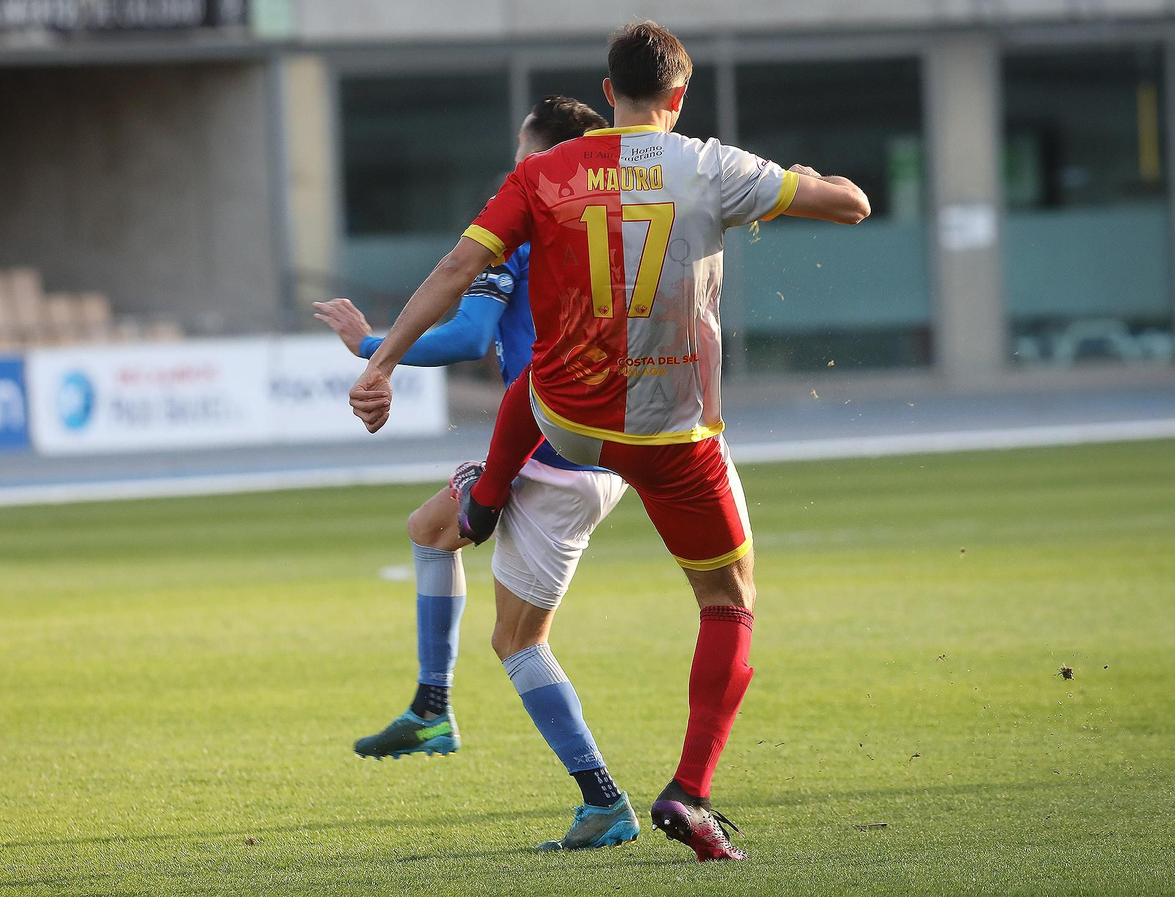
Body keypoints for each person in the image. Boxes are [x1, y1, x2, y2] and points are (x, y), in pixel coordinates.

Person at [345, 21, 871, 862]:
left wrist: (382, 365)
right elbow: (850, 205)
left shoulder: (543, 172)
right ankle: (690, 790)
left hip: (569, 425)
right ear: (680, 95)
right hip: (672, 435)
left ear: (606, 90)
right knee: (728, 601)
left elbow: (452, 271)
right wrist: (804, 180)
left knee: (539, 378)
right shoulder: (712, 164)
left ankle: (482, 500)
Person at [316, 95, 643, 852]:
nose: (519, 170)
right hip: (600, 443)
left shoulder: (528, 226)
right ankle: (432, 706)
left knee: (520, 643)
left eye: (527, 156)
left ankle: (603, 798)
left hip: (549, 450)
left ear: (546, 155)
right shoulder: (615, 221)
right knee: (430, 530)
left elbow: (468, 332)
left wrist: (370, 345)